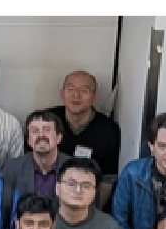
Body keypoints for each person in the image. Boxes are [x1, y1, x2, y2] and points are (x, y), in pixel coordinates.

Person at [39, 71, 121, 205]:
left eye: (84, 91)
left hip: (86, 200)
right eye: (70, 89)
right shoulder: (46, 121)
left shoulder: (109, 130)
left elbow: (108, 180)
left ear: (95, 97)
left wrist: (93, 213)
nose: (76, 95)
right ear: (62, 94)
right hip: (47, 197)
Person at [0, 110, 66, 200]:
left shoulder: (74, 168)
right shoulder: (12, 169)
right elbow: (6, 206)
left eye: (47, 130)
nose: (41, 135)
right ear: (28, 140)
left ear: (59, 138)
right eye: (35, 131)